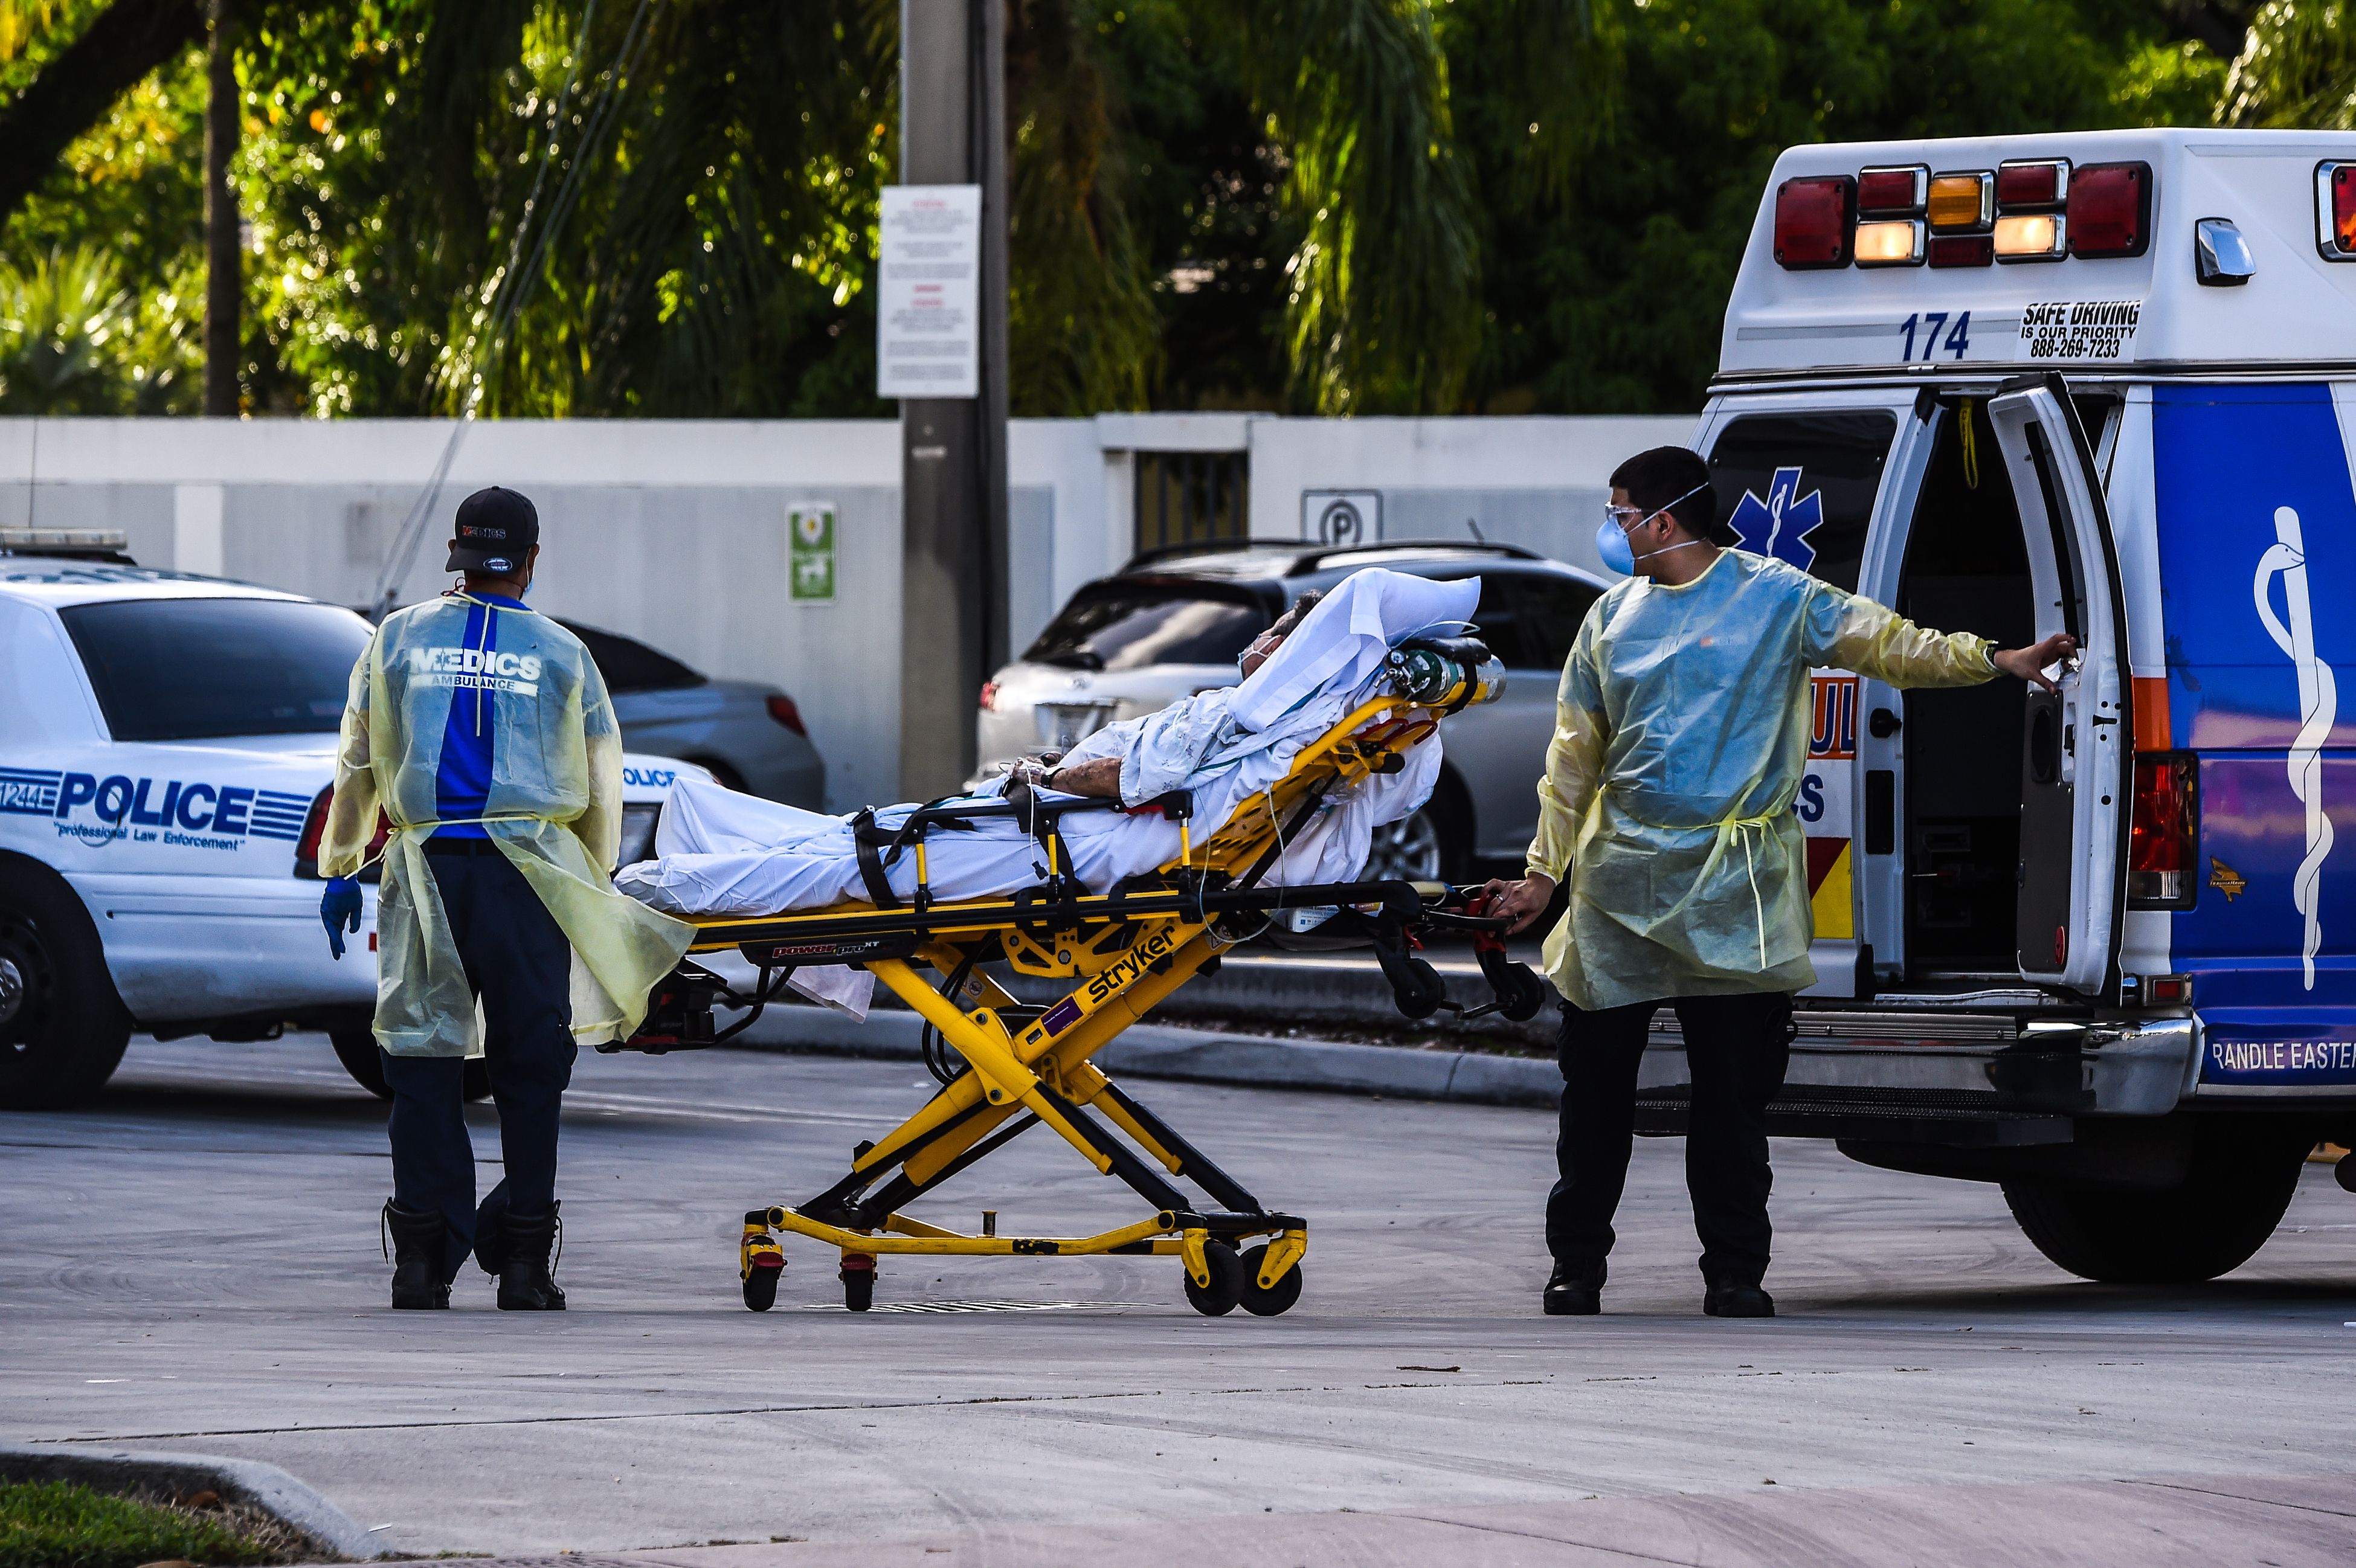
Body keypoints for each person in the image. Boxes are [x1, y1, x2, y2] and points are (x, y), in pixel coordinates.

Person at [1482, 447, 2075, 1320]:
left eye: (1619, 514)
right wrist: (1542, 874)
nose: (1613, 530)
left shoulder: (1779, 599)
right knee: (1594, 1100)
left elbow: (1890, 645)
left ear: (1663, 518)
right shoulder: (1608, 622)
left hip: (1734, 891)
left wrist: (1997, 659)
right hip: (1620, 892)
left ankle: (1734, 1272)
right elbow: (1573, 760)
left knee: (1731, 1103)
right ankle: (1577, 1266)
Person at [318, 487, 693, 1311]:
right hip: (531, 879)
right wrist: (586, 886)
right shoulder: (564, 653)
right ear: (529, 561)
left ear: (453, 554)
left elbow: (357, 761)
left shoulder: (395, 642)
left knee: (421, 1062)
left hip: (425, 877)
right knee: (530, 1070)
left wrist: (342, 864)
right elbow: (603, 782)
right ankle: (523, 1265)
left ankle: (420, 1262)